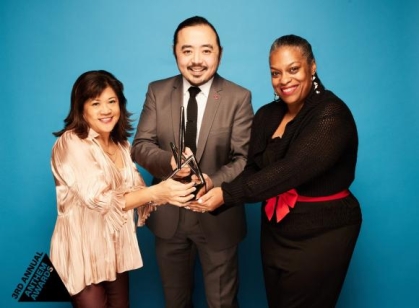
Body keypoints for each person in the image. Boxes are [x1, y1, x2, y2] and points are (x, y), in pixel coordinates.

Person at [190, 35, 363, 308]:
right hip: (277, 227)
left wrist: (228, 194)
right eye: (275, 73)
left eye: (293, 69)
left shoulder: (331, 115)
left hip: (323, 231)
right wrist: (212, 191)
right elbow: (253, 169)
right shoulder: (267, 115)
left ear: (312, 67)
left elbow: (290, 171)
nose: (284, 80)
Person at [131, 16, 253, 308]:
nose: (197, 60)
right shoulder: (157, 92)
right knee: (175, 303)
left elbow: (244, 159)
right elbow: (140, 146)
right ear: (175, 52)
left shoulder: (239, 97)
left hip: (218, 216)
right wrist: (169, 160)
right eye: (187, 50)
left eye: (206, 50)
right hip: (168, 217)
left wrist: (213, 181)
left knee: (222, 303)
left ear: (219, 52)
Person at [49, 70, 195, 308]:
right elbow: (99, 200)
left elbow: (137, 193)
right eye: (95, 103)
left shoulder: (121, 144)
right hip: (82, 253)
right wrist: (158, 192)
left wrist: (177, 178)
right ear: (81, 108)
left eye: (112, 101)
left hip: (114, 251)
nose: (106, 110)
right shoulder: (70, 143)